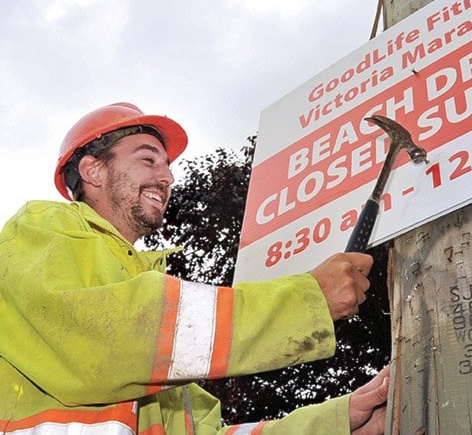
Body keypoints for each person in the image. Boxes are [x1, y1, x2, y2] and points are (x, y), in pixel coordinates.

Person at [0, 103, 389, 435]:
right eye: (147, 158)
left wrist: (341, 421)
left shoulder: (153, 344)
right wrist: (307, 299)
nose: (167, 177)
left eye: (167, 165)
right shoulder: (42, 226)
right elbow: (111, 332)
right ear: (93, 171)